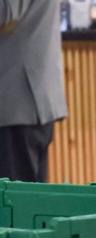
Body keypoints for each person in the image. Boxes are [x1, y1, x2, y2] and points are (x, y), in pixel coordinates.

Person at [0, 0, 67, 182]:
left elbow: (5, 13)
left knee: (14, 202)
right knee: (28, 201)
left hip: (16, 101)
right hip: (26, 100)